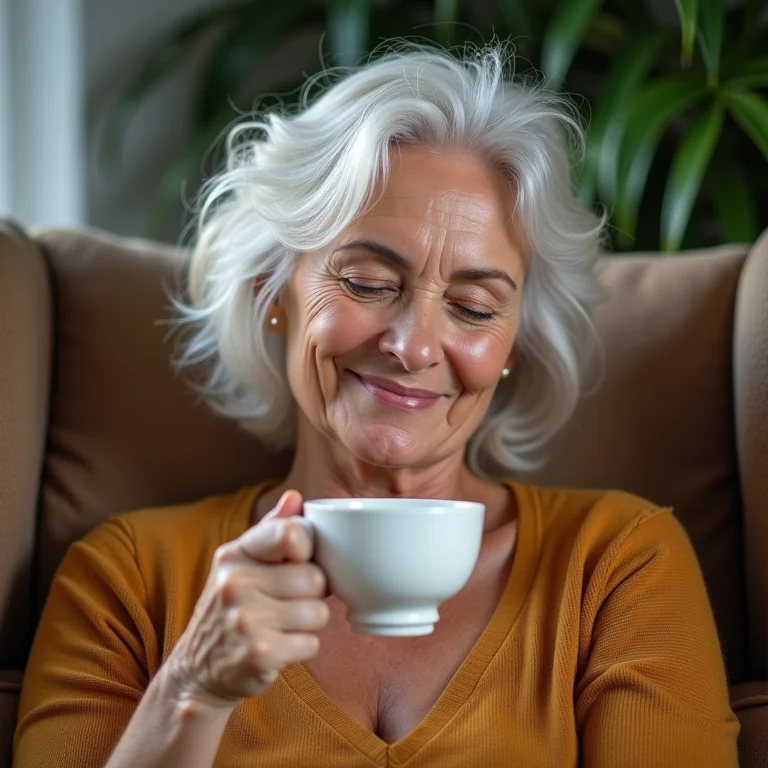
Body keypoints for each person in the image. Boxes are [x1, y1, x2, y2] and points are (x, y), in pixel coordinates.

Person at [14, 44, 739, 767]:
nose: (416, 346)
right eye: (365, 282)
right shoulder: (130, 576)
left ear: (515, 342)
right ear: (273, 290)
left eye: (473, 306)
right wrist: (192, 691)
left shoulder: (615, 565)